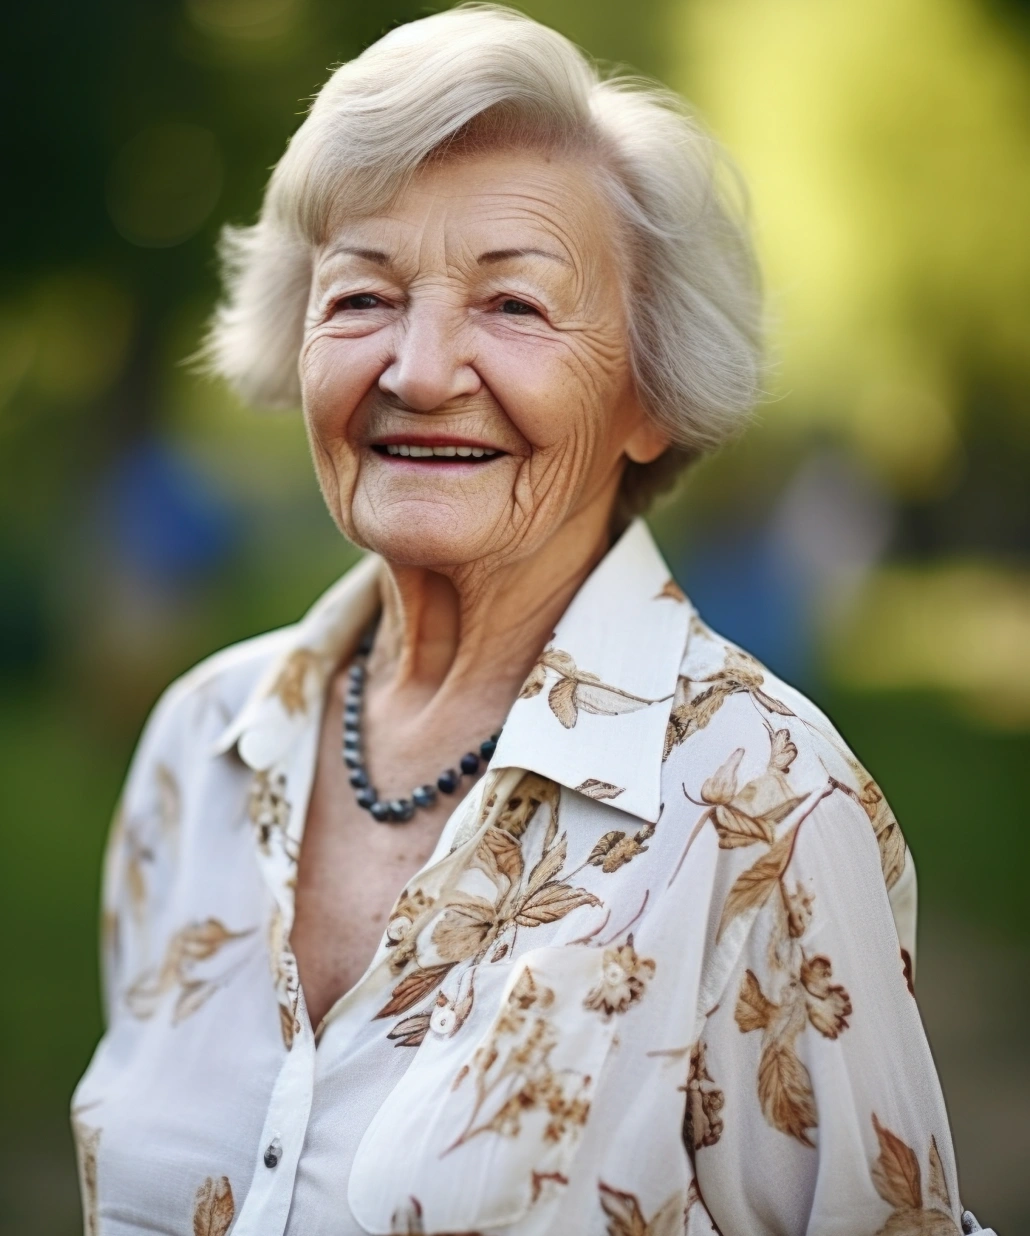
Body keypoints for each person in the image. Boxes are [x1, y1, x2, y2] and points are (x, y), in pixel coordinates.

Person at [72, 7, 990, 1234]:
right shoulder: (199, 747)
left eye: (512, 306)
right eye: (363, 298)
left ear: (648, 394)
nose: (419, 368)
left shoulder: (764, 806)